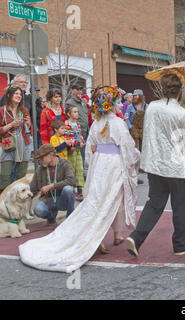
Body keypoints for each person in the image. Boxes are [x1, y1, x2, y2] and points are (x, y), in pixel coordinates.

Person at [19, 86, 140, 273]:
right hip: (114, 165)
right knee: (112, 200)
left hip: (100, 165)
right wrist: (135, 158)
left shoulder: (96, 124)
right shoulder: (118, 124)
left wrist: (93, 164)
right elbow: (127, 148)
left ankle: (116, 234)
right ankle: (99, 237)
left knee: (100, 200)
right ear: (113, 105)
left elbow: (90, 151)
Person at [126, 74, 185, 258]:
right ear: (179, 90)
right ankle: (180, 244)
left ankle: (136, 237)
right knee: (181, 206)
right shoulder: (181, 113)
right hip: (175, 166)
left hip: (155, 164)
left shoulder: (152, 107)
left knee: (154, 204)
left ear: (162, 89)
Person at [28, 144, 76, 226]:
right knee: (38, 210)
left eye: (42, 158)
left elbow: (72, 180)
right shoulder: (40, 169)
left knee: (69, 190)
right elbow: (32, 189)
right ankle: (51, 218)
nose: (40, 161)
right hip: (48, 200)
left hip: (62, 198)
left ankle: (70, 219)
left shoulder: (65, 163)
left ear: (50, 155)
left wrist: (51, 186)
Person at [0, 85, 33, 192]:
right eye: (16, 94)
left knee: (21, 177)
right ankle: (3, 201)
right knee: (5, 176)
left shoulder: (24, 110)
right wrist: (11, 125)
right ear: (9, 95)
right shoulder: (2, 111)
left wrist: (28, 124)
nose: (19, 96)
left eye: (20, 94)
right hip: (9, 145)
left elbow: (30, 131)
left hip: (24, 145)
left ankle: (16, 200)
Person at [125, 89, 148, 185]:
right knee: (135, 151)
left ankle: (143, 167)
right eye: (134, 96)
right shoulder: (130, 107)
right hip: (133, 130)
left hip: (144, 130)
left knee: (144, 149)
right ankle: (135, 173)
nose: (134, 97)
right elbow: (126, 118)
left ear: (141, 97)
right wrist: (130, 127)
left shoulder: (147, 106)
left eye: (136, 96)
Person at [64, 104, 86, 201]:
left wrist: (81, 140)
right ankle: (71, 190)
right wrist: (78, 143)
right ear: (69, 114)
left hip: (78, 149)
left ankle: (80, 190)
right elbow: (68, 138)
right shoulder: (66, 124)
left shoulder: (77, 124)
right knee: (72, 169)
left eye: (77, 112)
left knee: (80, 168)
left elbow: (79, 134)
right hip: (71, 150)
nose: (77, 113)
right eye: (75, 112)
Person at [66, 84, 90, 166]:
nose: (80, 91)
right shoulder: (70, 103)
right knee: (77, 154)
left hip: (85, 131)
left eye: (81, 90)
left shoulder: (83, 102)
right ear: (73, 91)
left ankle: (82, 172)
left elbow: (86, 114)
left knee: (83, 154)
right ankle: (79, 174)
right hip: (76, 132)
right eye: (77, 90)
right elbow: (69, 118)